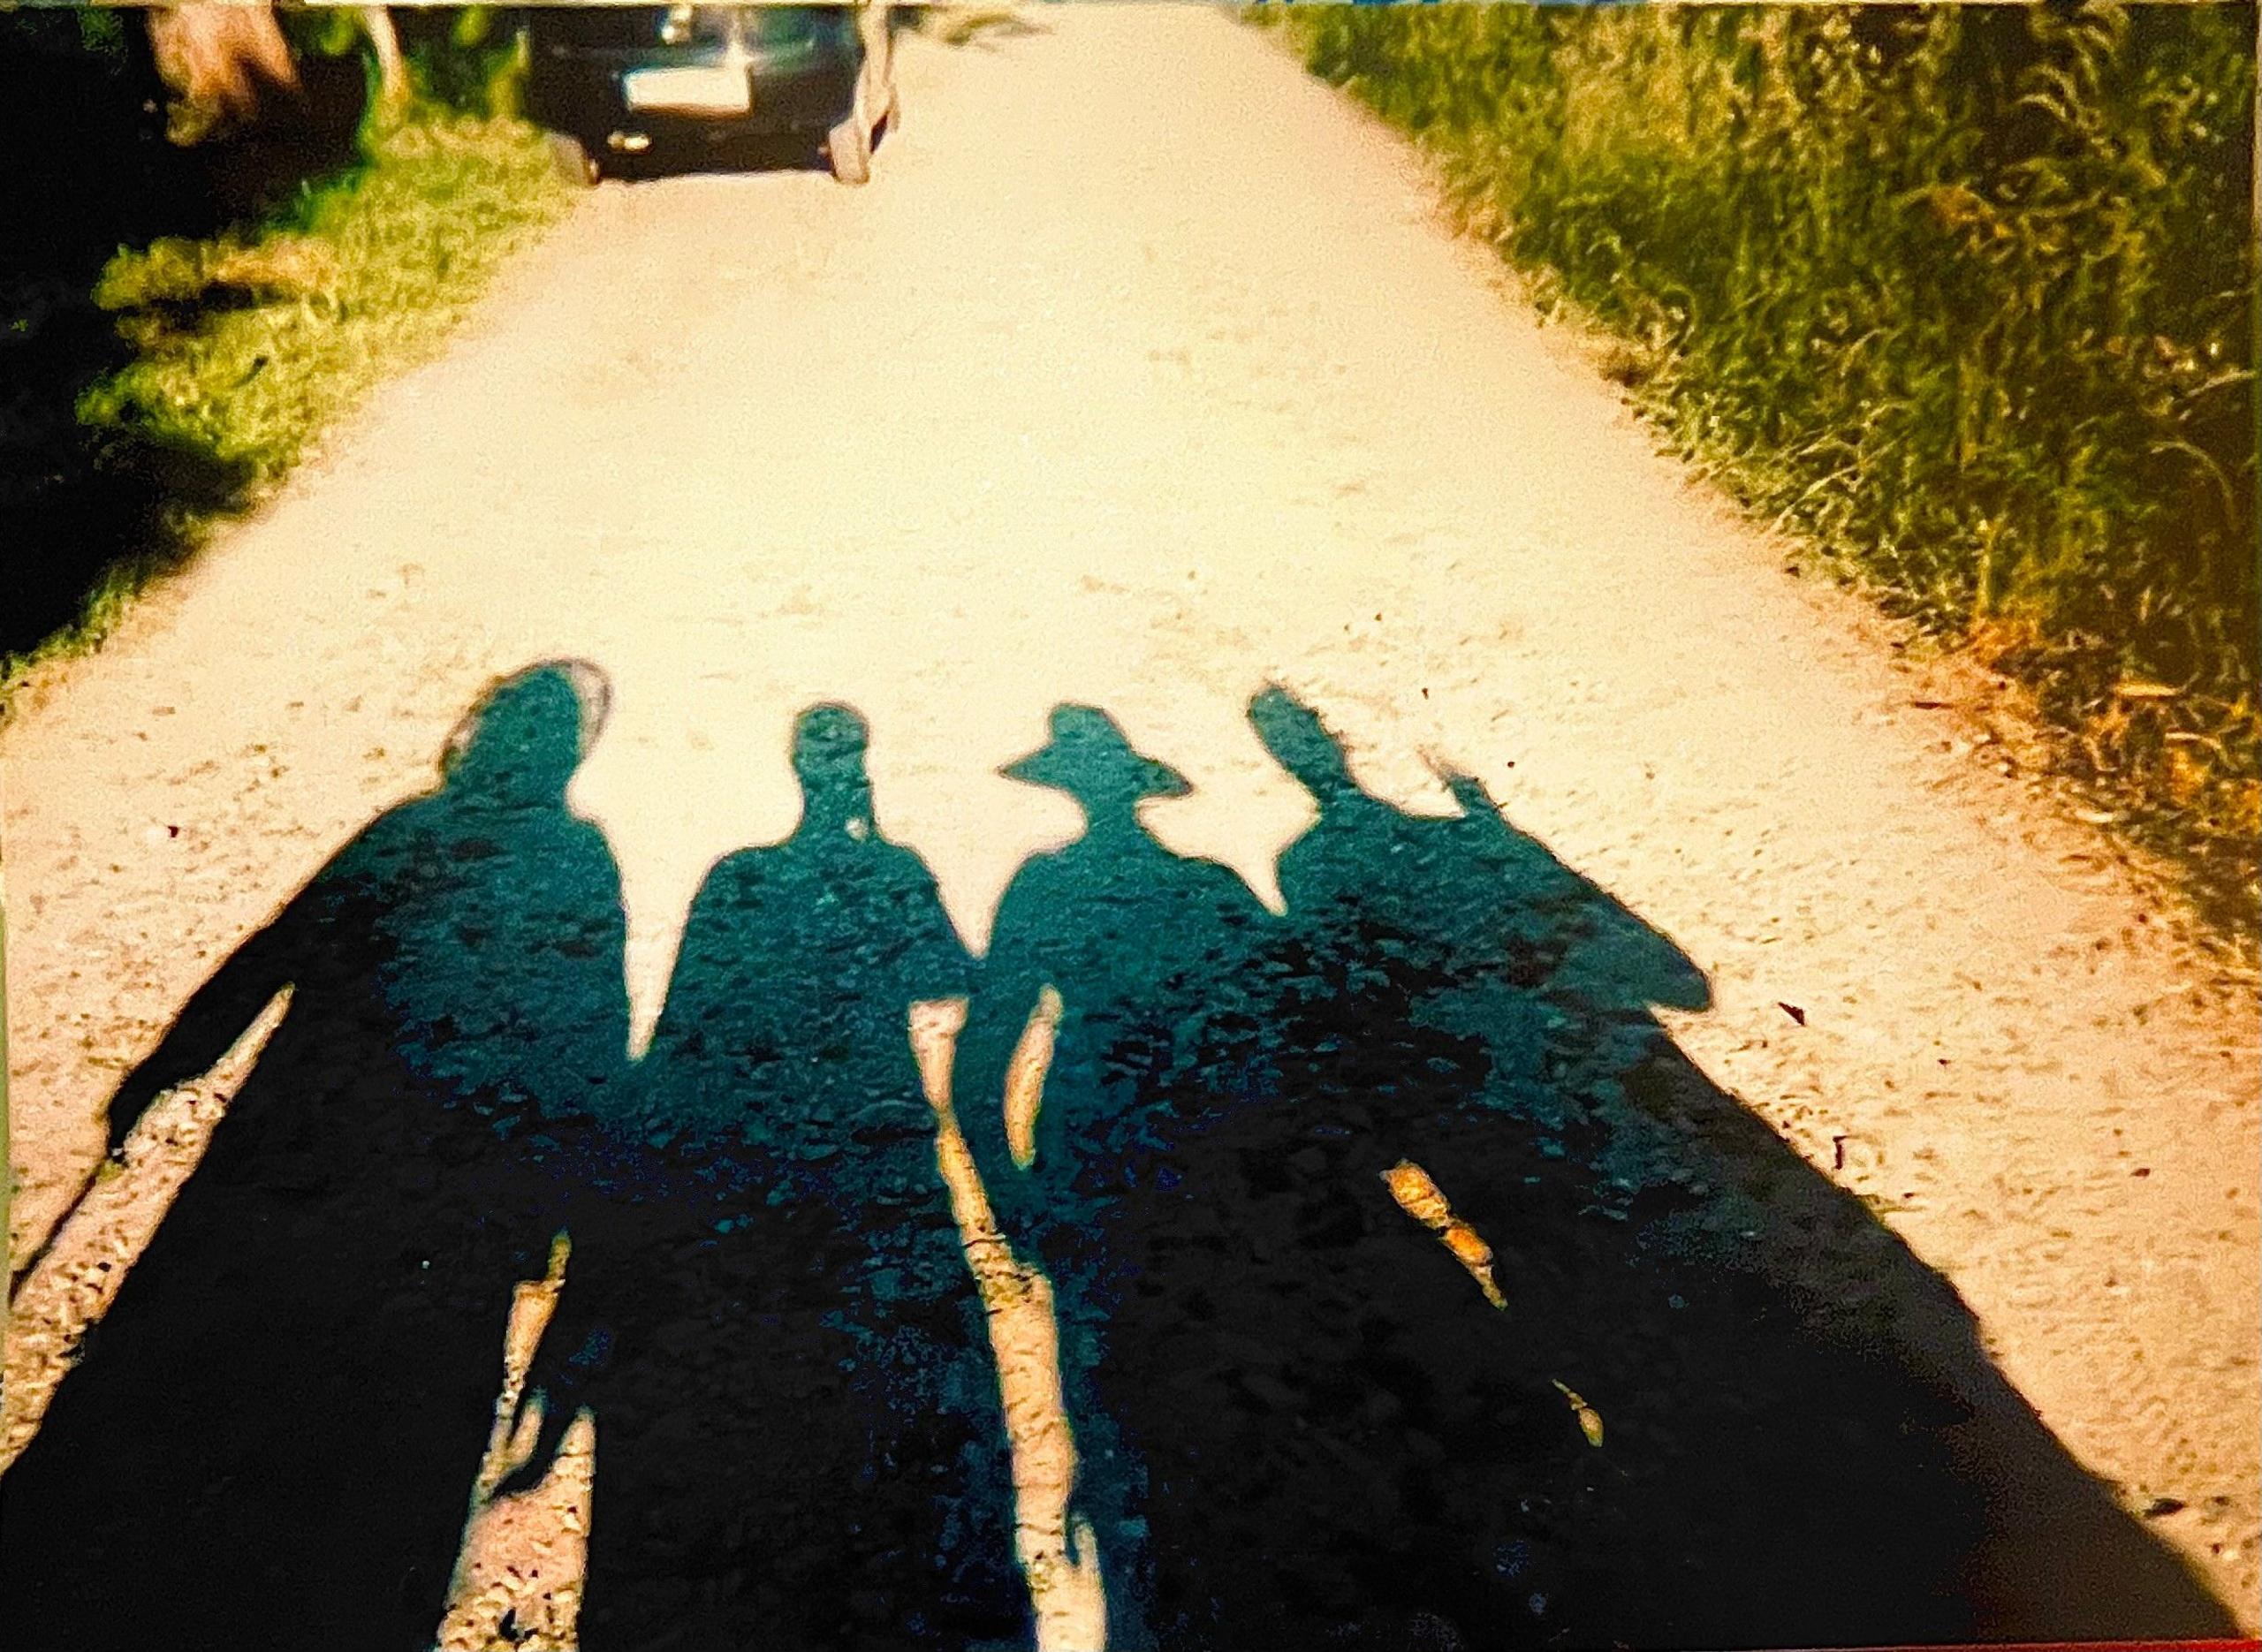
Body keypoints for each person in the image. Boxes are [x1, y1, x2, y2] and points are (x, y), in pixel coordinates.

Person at [1, 661, 635, 1652]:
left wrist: (171, 1062)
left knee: (204, 1375)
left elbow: (276, 949)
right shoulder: (577, 863)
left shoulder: (407, 832)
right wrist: (556, 1210)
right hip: (444, 1194)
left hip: (296, 1148)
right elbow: (590, 1042)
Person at [513, 703, 1030, 1650]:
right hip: (876, 1159)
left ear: (794, 773)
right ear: (858, 771)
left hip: (760, 1163)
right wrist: (875, 844)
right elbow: (951, 976)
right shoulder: (891, 870)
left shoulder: (738, 876)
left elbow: (682, 1026)